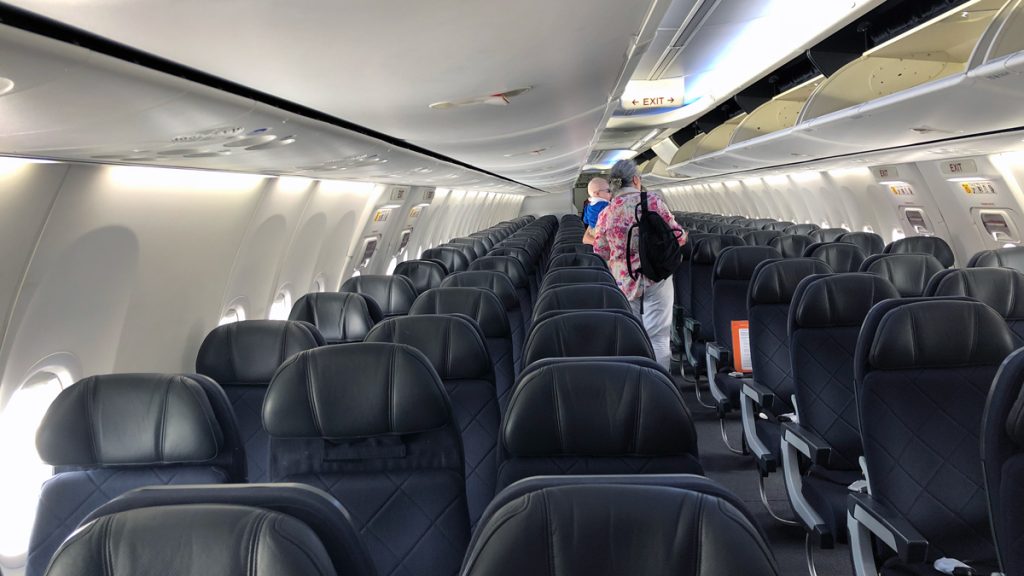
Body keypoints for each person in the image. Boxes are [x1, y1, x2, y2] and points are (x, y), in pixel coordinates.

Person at [593, 159, 686, 369]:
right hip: (657, 276)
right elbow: (677, 237)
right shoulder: (653, 202)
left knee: (630, 335)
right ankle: (662, 387)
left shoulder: (607, 212)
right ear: (636, 179)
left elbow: (600, 251)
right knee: (659, 336)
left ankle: (636, 383)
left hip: (624, 280)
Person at [582, 177, 611, 245]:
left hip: (591, 231)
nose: (610, 193)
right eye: (608, 191)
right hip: (601, 231)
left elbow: (585, 220)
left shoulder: (588, 206)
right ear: (597, 193)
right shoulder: (605, 204)